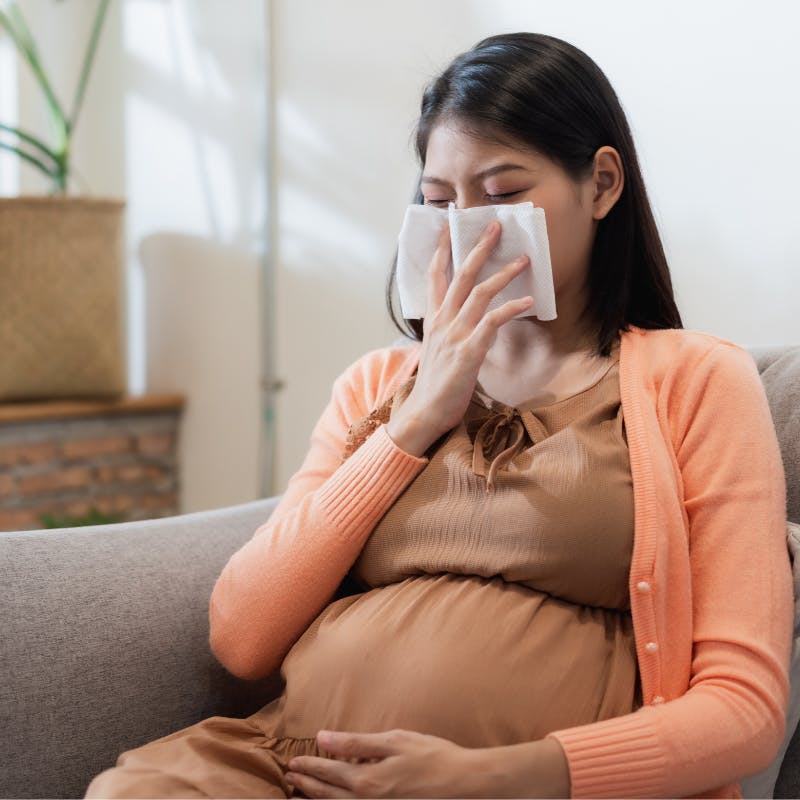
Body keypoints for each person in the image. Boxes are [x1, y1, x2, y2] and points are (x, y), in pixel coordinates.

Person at [85, 32, 792, 799]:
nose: (466, 230)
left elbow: (743, 708)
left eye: (502, 191)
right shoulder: (378, 385)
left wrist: (495, 777)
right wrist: (415, 420)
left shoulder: (697, 381)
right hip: (289, 764)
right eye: (438, 201)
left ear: (601, 184)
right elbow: (242, 637)